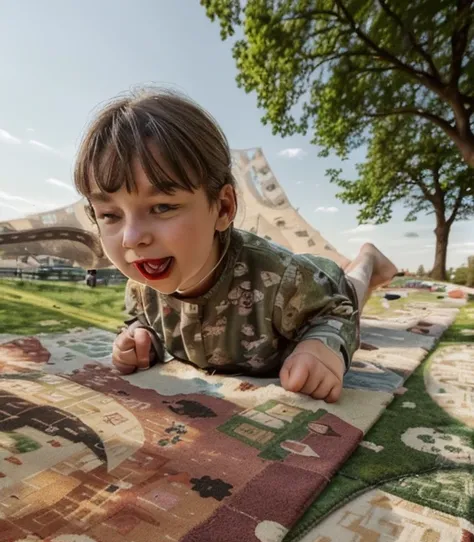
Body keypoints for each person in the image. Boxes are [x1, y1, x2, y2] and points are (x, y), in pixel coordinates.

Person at [73, 89, 397, 403]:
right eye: (110, 214)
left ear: (224, 208)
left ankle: (367, 260)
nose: (131, 238)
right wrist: (143, 339)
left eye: (162, 207)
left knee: (354, 288)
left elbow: (336, 308)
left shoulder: (281, 280)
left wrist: (321, 346)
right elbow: (146, 322)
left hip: (324, 288)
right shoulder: (141, 290)